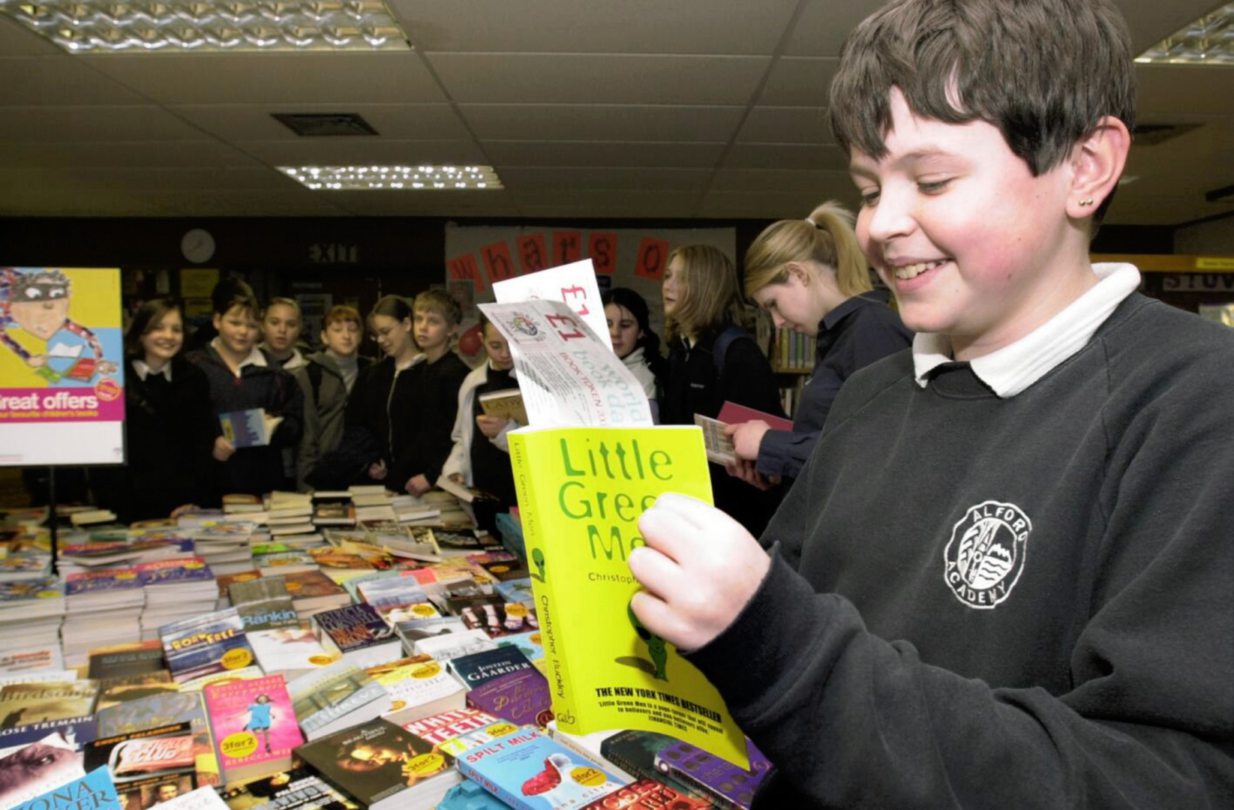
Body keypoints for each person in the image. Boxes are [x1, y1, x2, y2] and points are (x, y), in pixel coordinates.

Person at [628, 0, 1234, 806]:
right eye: (870, 187)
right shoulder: (874, 396)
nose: (880, 225)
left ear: (1086, 168)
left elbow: (1167, 780)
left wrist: (782, 651)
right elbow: (796, 603)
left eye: (933, 179)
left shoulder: (1198, 403)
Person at [726, 202, 911, 488]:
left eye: (773, 304)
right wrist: (778, 467)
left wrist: (769, 444)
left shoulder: (873, 331)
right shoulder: (840, 337)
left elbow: (884, 451)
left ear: (799, 274)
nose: (777, 323)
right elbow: (840, 446)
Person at [658, 244, 785, 536]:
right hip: (690, 510)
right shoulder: (679, 352)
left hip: (734, 520)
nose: (669, 285)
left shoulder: (738, 353)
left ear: (706, 286)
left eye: (683, 278)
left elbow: (759, 456)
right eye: (667, 276)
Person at [92, 298, 218, 522]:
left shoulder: (194, 378)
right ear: (141, 332)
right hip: (123, 502)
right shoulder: (114, 377)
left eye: (176, 329)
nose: (168, 336)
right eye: (158, 328)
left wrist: (195, 498)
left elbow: (202, 444)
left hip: (181, 503)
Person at [186, 279, 303, 497]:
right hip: (206, 487)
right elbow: (182, 423)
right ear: (217, 320)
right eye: (235, 323)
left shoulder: (276, 373)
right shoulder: (192, 366)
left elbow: (294, 426)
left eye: (251, 326)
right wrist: (211, 441)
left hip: (263, 486)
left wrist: (252, 429)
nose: (243, 332)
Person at [348, 290, 469, 496]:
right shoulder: (428, 369)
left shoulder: (454, 373)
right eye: (419, 319)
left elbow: (454, 436)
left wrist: (432, 475)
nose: (422, 326)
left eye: (433, 321)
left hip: (436, 481)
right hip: (406, 480)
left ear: (452, 329)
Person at [442, 314, 521, 532]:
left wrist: (505, 432)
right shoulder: (473, 381)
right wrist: (456, 469)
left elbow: (546, 444)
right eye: (495, 345)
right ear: (481, 339)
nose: (505, 354)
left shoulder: (535, 382)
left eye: (511, 345)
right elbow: (461, 437)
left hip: (522, 498)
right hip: (481, 495)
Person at [293, 305, 373, 491]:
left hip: (363, 470)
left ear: (360, 336)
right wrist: (306, 483)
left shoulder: (370, 371)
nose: (346, 336)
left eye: (352, 330)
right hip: (324, 469)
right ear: (324, 337)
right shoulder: (311, 373)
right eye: (337, 330)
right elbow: (308, 433)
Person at [602, 287, 667, 421]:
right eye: (607, 324)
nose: (615, 333)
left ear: (641, 331)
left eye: (625, 325)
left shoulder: (646, 381)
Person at [259, 297, 307, 371]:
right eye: (274, 323)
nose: (282, 330)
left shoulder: (308, 370)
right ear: (262, 325)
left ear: (299, 329)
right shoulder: (244, 364)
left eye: (291, 324)